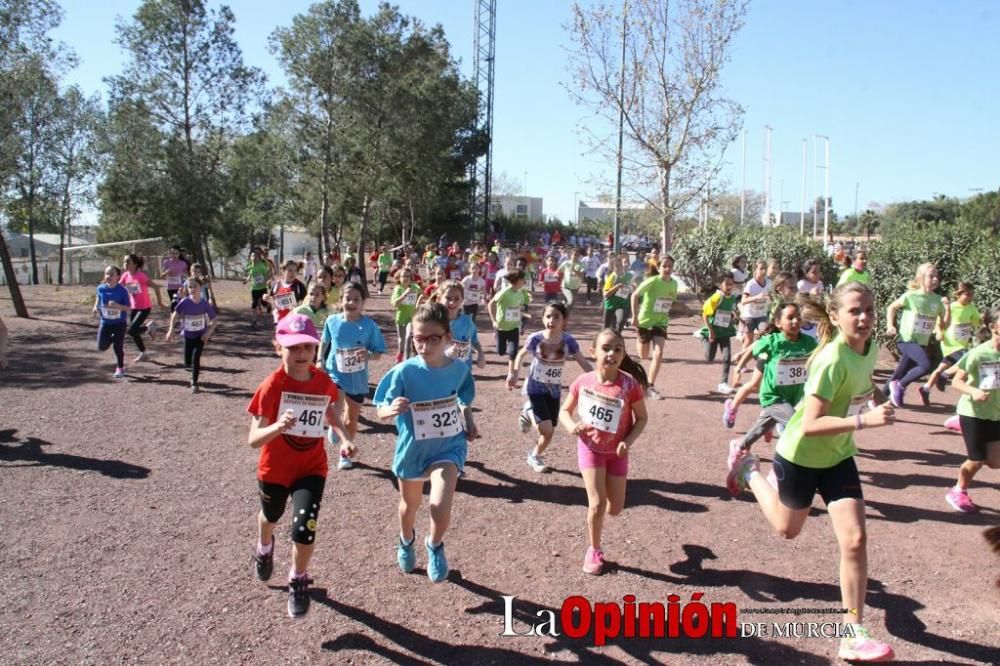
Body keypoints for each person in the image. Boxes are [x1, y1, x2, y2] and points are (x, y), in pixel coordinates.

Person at [728, 282, 897, 663]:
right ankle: (748, 467)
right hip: (800, 455)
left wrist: (878, 396)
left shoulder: (869, 347)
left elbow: (864, 382)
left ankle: (852, 633)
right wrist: (864, 420)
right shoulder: (831, 359)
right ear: (835, 317)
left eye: (869, 309)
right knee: (786, 530)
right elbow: (808, 425)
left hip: (837, 457)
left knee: (854, 540)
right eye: (855, 311)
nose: (866, 317)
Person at [247, 313, 356, 618]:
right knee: (271, 516)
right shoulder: (272, 386)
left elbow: (330, 413)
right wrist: (278, 427)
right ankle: (264, 545)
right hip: (275, 470)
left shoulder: (323, 382)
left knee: (304, 528)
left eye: (307, 347)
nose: (301, 354)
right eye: (293, 347)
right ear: (277, 347)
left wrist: (344, 438)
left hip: (311, 468)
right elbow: (254, 439)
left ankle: (298, 577)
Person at [374, 303, 478, 583]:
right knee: (409, 506)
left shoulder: (458, 369)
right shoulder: (404, 372)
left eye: (433, 338)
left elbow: (463, 397)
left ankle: (434, 545)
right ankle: (406, 539)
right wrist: (391, 408)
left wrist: (468, 419)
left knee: (440, 503)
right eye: (419, 338)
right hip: (413, 449)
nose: (425, 344)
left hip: (449, 447)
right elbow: (380, 407)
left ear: (447, 337)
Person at [558, 328, 648, 575]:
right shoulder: (583, 382)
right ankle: (594, 550)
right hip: (591, 449)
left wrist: (628, 442)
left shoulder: (629, 385)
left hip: (618, 453)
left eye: (618, 349)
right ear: (593, 352)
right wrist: (571, 426)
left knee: (615, 508)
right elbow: (564, 412)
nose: (612, 353)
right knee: (596, 504)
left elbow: (641, 418)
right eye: (606, 348)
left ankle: (604, 514)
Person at [724, 302, 817, 491]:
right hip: (772, 396)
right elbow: (752, 349)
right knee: (796, 427)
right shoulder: (773, 341)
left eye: (798, 316)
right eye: (790, 317)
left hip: (792, 397)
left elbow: (821, 358)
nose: (795, 320)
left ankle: (740, 445)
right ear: (779, 322)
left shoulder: (808, 343)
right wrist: (740, 367)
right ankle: (778, 472)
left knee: (763, 426)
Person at [509, 303, 593, 472]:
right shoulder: (536, 338)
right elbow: (520, 354)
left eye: (556, 317)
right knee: (545, 428)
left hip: (553, 391)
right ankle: (529, 411)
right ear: (543, 318)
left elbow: (583, 362)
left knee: (549, 433)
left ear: (564, 320)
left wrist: (598, 379)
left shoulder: (568, 341)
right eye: (548, 316)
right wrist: (514, 373)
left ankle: (534, 455)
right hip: (535, 387)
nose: (551, 320)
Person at [319, 283, 386, 469]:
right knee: (335, 403)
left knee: (351, 419)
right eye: (347, 298)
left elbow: (379, 352)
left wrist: (368, 355)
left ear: (363, 302)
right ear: (341, 300)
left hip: (357, 378)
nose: (351, 302)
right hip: (336, 372)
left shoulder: (369, 326)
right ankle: (334, 425)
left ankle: (344, 453)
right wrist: (319, 360)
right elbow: (324, 342)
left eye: (356, 299)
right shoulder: (332, 321)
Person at [944, 305, 1000, 513]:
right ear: (994, 326)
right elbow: (956, 382)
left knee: (994, 462)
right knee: (977, 460)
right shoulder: (979, 353)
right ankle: (958, 491)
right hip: (973, 413)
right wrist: (973, 392)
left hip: (995, 412)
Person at [885, 263, 949, 407]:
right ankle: (901, 386)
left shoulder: (938, 300)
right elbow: (892, 307)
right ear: (921, 278)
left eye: (936, 276)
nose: (935, 279)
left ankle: (878, 400)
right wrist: (890, 325)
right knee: (925, 366)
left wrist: (947, 309)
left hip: (921, 342)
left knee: (898, 374)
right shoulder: (911, 296)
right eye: (931, 276)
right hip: (907, 340)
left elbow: (944, 324)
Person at [629, 256, 678, 400]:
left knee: (658, 353)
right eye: (664, 266)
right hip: (644, 321)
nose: (667, 269)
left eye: (670, 266)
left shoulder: (674, 284)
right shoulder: (652, 281)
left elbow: (671, 302)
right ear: (658, 268)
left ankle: (650, 386)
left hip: (661, 322)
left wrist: (684, 308)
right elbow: (635, 295)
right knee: (643, 356)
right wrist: (634, 316)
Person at [922, 282, 980, 404]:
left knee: (941, 367)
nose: (970, 297)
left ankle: (926, 388)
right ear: (958, 295)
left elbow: (977, 321)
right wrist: (938, 332)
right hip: (950, 343)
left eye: (972, 294)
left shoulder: (971, 307)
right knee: (967, 361)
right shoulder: (952, 307)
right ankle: (947, 375)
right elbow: (939, 322)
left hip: (962, 343)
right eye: (967, 294)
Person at [165, 277, 218, 393]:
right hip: (188, 336)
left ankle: (194, 382)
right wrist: (171, 330)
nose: (193, 289)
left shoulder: (204, 303)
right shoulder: (185, 302)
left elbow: (215, 320)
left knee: (196, 359)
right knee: (188, 362)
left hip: (201, 336)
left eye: (195, 286)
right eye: (190, 287)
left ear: (201, 288)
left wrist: (208, 333)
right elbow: (175, 315)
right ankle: (189, 366)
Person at [487, 269, 532, 381]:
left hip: (514, 327)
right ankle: (496, 336)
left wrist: (526, 316)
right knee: (501, 352)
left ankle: (511, 375)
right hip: (501, 327)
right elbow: (490, 305)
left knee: (513, 352)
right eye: (523, 280)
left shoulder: (520, 293)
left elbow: (516, 309)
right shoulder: (504, 292)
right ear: (518, 281)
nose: (525, 282)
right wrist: (494, 321)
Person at [699, 274, 739, 394]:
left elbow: (730, 310)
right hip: (713, 331)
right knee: (710, 357)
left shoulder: (732, 297)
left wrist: (734, 316)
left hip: (725, 331)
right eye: (727, 284)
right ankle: (703, 337)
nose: (729, 287)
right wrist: (710, 332)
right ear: (721, 285)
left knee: (727, 357)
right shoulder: (717, 297)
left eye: (731, 284)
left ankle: (723, 383)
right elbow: (705, 314)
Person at [121, 254, 163, 363]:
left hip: (144, 308)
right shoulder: (125, 276)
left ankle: (148, 329)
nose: (125, 264)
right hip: (134, 307)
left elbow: (156, 287)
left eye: (128, 262)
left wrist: (160, 303)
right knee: (133, 332)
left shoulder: (141, 276)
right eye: (124, 262)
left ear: (135, 264)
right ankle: (144, 352)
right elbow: (118, 287)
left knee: (131, 330)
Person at [93, 266, 132, 379]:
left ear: (118, 276)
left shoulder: (122, 290)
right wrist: (95, 306)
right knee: (101, 346)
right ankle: (115, 339)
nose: (108, 276)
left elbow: (129, 308)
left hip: (119, 323)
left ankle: (120, 368)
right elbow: (98, 298)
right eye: (106, 274)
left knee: (117, 347)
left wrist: (117, 306)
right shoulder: (101, 288)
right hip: (105, 322)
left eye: (111, 274)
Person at [439, 280, 485, 373]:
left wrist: (480, 354)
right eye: (448, 298)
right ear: (440, 298)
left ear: (462, 300)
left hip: (463, 372)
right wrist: (447, 353)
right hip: (442, 372)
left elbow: (474, 341)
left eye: (456, 299)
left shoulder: (467, 321)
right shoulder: (435, 322)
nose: (452, 302)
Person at [740, 261, 772, 353]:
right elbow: (743, 301)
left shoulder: (769, 283)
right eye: (761, 268)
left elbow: (772, 296)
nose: (764, 271)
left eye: (765, 268)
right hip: (749, 316)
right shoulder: (751, 284)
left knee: (765, 336)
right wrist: (756, 297)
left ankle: (761, 360)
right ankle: (742, 362)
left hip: (762, 315)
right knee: (748, 340)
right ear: (755, 270)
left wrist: (771, 297)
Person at [390, 268, 422, 363]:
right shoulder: (398, 289)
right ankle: (400, 352)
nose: (406, 278)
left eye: (408, 276)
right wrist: (405, 294)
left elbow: (424, 294)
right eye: (403, 276)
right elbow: (395, 304)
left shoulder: (415, 287)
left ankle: (407, 359)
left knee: (408, 337)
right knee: (401, 339)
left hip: (411, 316)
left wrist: (418, 302)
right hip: (401, 316)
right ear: (399, 278)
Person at [267, 260, 308, 325]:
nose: (293, 273)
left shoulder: (299, 286)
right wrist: (266, 298)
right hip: (279, 320)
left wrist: (297, 307)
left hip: (294, 320)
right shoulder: (277, 284)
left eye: (295, 271)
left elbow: (306, 302)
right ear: (283, 271)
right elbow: (272, 299)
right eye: (290, 270)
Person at [244, 249, 274, 329]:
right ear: (250, 257)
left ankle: (269, 305)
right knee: (254, 305)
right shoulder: (250, 266)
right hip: (254, 289)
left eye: (256, 256)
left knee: (264, 303)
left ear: (259, 258)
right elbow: (250, 275)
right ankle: (254, 321)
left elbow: (268, 273)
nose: (254, 257)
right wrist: (246, 280)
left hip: (262, 288)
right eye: (252, 256)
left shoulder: (261, 266)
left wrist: (265, 281)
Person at [160, 246, 188, 311]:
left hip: (180, 288)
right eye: (172, 253)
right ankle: (173, 319)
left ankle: (179, 319)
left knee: (180, 305)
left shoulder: (183, 263)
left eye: (176, 253)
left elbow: (187, 275)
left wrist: (190, 279)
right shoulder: (166, 262)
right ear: (170, 254)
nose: (174, 255)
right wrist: (167, 271)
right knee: (174, 305)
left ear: (179, 254)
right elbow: (161, 276)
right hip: (171, 288)